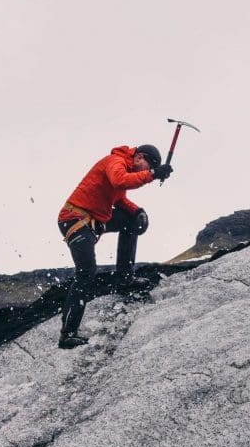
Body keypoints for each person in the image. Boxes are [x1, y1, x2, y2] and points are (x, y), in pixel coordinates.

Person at [56, 144, 173, 349]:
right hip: (75, 219)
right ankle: (67, 334)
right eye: (146, 166)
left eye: (148, 169)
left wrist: (138, 212)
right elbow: (119, 180)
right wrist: (153, 174)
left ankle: (125, 278)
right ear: (139, 158)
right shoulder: (115, 162)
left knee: (132, 221)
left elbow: (119, 199)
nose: (145, 171)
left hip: (94, 221)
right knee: (86, 272)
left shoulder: (125, 167)